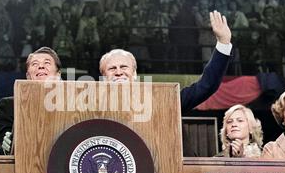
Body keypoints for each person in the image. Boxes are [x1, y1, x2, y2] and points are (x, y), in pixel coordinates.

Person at [99, 10, 232, 112]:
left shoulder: (159, 101)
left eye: (124, 67)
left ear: (134, 74)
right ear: (103, 77)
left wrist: (223, 43)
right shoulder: (89, 105)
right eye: (112, 68)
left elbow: (205, 86)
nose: (118, 72)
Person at [0, 47, 62, 154]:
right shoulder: (8, 106)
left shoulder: (71, 105)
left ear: (58, 74)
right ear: (28, 76)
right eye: (35, 64)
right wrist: (6, 149)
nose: (41, 66)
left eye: (47, 63)